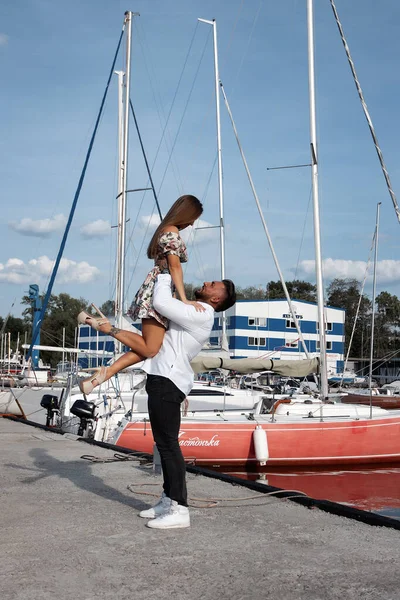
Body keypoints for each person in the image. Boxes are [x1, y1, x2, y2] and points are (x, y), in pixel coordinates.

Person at [129, 272, 236, 529]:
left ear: (216, 297)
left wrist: (165, 275)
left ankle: (179, 508)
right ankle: (168, 499)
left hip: (169, 380)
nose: (207, 283)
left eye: (213, 285)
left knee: (168, 445)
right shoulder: (193, 309)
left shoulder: (203, 313)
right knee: (163, 443)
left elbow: (162, 304)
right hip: (162, 377)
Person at [77, 194, 205, 394]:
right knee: (152, 349)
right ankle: (103, 326)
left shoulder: (165, 231)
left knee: (149, 348)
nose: (191, 224)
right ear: (186, 215)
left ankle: (102, 376)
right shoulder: (171, 233)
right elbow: (174, 266)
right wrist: (184, 299)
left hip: (158, 287)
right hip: (160, 289)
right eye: (192, 219)